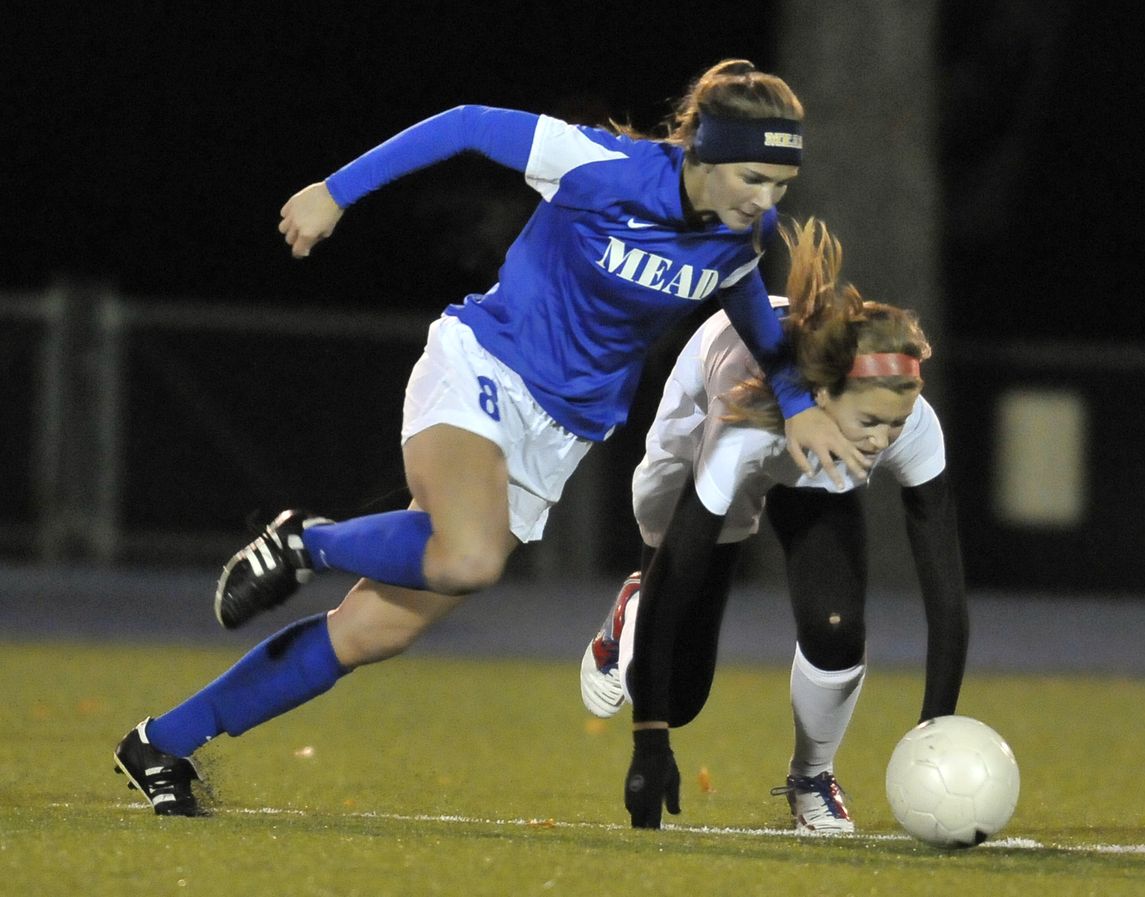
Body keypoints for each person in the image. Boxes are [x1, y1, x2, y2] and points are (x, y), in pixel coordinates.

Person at [111, 59, 873, 816]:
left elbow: (747, 307)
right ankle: (304, 541)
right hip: (485, 367)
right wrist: (333, 192)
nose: (768, 200)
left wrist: (797, 401)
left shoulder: (742, 231)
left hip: (558, 435)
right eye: (754, 178)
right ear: (704, 150)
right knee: (469, 556)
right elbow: (469, 123)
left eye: (780, 184)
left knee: (372, 629)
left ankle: (161, 741)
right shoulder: (600, 167)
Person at [578, 217, 968, 831]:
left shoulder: (903, 421)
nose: (884, 440)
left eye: (897, 423)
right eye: (871, 423)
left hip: (803, 453)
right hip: (708, 421)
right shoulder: (744, 427)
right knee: (676, 698)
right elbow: (681, 572)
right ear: (822, 392)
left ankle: (811, 777)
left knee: (837, 626)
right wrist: (651, 742)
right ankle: (630, 606)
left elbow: (945, 593)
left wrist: (936, 727)